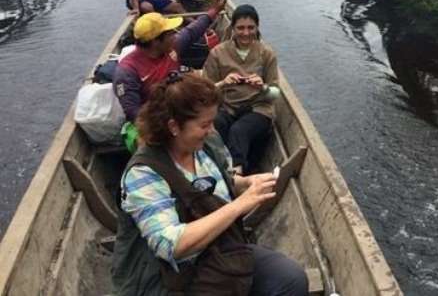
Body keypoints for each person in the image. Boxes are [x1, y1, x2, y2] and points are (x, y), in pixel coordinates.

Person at [112, 73, 308, 296]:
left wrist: (243, 183)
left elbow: (215, 184)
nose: (212, 130)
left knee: (290, 280)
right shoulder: (143, 172)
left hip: (218, 250)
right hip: (167, 275)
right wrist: (239, 205)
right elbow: (170, 245)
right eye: (204, 124)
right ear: (174, 126)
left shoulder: (206, 146)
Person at [114, 0, 226, 150]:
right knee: (148, 145)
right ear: (155, 41)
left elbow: (193, 30)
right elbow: (135, 115)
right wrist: (173, 130)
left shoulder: (170, 48)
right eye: (169, 34)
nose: (175, 35)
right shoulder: (127, 72)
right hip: (150, 123)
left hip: (180, 111)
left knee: (213, 129)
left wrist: (214, 11)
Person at [203, 5, 280, 175]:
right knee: (215, 125)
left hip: (258, 109)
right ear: (232, 28)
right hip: (227, 106)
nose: (246, 33)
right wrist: (223, 83)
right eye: (241, 28)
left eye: (251, 28)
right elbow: (205, 92)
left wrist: (263, 86)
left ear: (257, 27)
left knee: (239, 131)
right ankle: (219, 167)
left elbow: (275, 94)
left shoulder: (266, 53)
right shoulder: (218, 53)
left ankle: (237, 174)